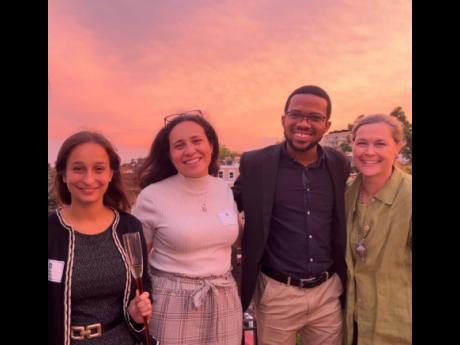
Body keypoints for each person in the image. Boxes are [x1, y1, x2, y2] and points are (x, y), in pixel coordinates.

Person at [233, 85, 350, 345]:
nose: (303, 123)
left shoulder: (338, 163)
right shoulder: (256, 163)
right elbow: (226, 207)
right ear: (283, 119)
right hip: (277, 294)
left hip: (327, 293)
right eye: (296, 114)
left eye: (314, 117)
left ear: (327, 125)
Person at [132, 111, 242, 345]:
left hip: (224, 297)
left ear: (211, 146)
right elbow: (135, 260)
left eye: (196, 141)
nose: (190, 150)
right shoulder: (152, 196)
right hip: (172, 300)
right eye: (179, 145)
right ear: (170, 154)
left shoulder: (223, 189)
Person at [48, 131, 153, 345]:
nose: (88, 179)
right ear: (64, 174)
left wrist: (136, 314)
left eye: (98, 169)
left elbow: (143, 283)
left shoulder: (128, 227)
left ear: (111, 174)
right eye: (78, 169)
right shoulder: (51, 230)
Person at [344, 114, 412, 345]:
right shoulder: (346, 195)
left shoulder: (409, 197)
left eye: (380, 143)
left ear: (398, 146)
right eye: (362, 143)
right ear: (352, 145)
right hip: (352, 327)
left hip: (398, 329)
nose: (369, 152)